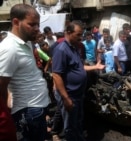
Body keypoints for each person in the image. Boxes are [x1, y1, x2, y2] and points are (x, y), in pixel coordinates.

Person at [0, 4, 50, 141]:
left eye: (38, 24)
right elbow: (1, 87)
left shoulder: (25, 42)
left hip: (37, 109)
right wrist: (7, 115)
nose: (37, 29)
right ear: (16, 22)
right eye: (32, 24)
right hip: (27, 112)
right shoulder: (9, 48)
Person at [52, 20, 105, 141]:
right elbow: (56, 75)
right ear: (69, 32)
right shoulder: (61, 50)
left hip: (78, 94)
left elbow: (80, 67)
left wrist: (95, 67)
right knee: (70, 125)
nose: (81, 38)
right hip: (69, 95)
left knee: (78, 121)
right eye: (78, 35)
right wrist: (66, 98)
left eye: (81, 35)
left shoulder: (74, 48)